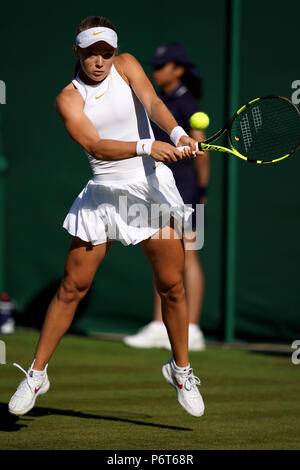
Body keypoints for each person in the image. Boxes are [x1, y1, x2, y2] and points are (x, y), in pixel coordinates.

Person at [8, 16, 205, 418]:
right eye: (91, 53)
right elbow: (96, 146)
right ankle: (36, 374)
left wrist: (179, 134)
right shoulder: (69, 97)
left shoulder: (128, 65)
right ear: (77, 53)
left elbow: (152, 102)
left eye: (106, 53)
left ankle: (181, 369)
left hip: (148, 192)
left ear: (115, 53)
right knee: (72, 288)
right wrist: (147, 146)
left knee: (172, 286)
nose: (99, 61)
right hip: (103, 197)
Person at [124, 43, 209, 351]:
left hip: (186, 190)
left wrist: (202, 192)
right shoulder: (160, 99)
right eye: (155, 66)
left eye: (162, 66)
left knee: (189, 253)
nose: (156, 71)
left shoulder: (187, 103)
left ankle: (194, 328)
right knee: (163, 254)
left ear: (178, 70)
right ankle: (160, 324)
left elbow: (202, 152)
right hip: (161, 187)